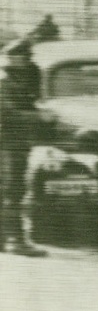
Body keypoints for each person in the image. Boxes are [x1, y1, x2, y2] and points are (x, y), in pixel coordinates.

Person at [0, 39, 48, 256]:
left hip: (18, 142)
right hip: (7, 142)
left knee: (10, 190)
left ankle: (4, 240)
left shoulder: (26, 77)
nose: (27, 59)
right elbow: (9, 113)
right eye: (23, 56)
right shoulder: (5, 82)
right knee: (13, 191)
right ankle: (17, 241)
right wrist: (38, 115)